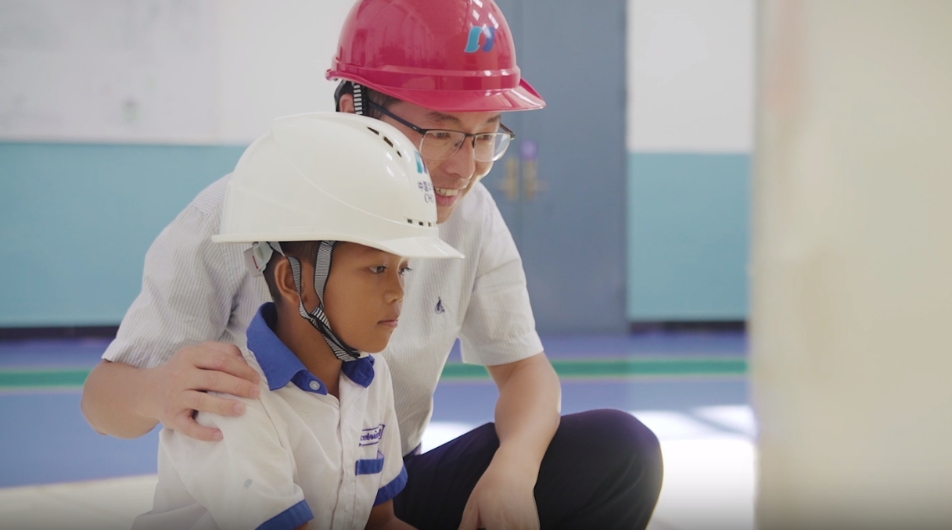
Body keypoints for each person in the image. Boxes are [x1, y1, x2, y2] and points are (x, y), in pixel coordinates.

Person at [82, 1, 664, 528]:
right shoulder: (236, 213)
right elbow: (102, 403)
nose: (464, 168)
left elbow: (524, 372)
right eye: (441, 133)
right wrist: (157, 389)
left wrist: (513, 469)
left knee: (618, 452)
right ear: (352, 109)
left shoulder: (471, 213)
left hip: (374, 487)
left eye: (486, 136)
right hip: (255, 495)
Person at [134, 112, 462, 530]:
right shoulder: (234, 400)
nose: (398, 291)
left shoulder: (370, 374)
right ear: (293, 281)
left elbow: (379, 522)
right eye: (377, 269)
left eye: (404, 269)